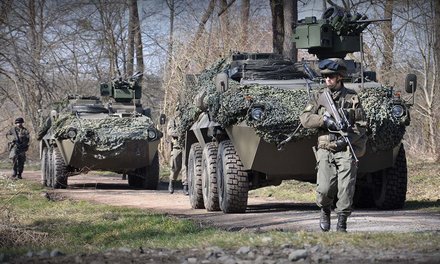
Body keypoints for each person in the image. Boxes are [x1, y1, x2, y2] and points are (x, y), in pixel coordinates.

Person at [300, 58, 367, 232]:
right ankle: (324, 210)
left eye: (331, 76)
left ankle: (342, 221)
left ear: (340, 77)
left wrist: (348, 139)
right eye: (325, 77)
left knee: (346, 188)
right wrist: (324, 120)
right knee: (324, 188)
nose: (327, 80)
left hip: (346, 147)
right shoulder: (318, 97)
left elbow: (361, 124)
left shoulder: (352, 97)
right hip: (325, 147)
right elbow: (305, 119)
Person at [167, 114, 188, 195]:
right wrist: (180, 132)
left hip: (186, 145)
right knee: (175, 166)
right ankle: (171, 183)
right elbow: (170, 131)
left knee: (185, 166)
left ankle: (185, 186)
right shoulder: (173, 119)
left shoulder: (187, 118)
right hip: (177, 146)